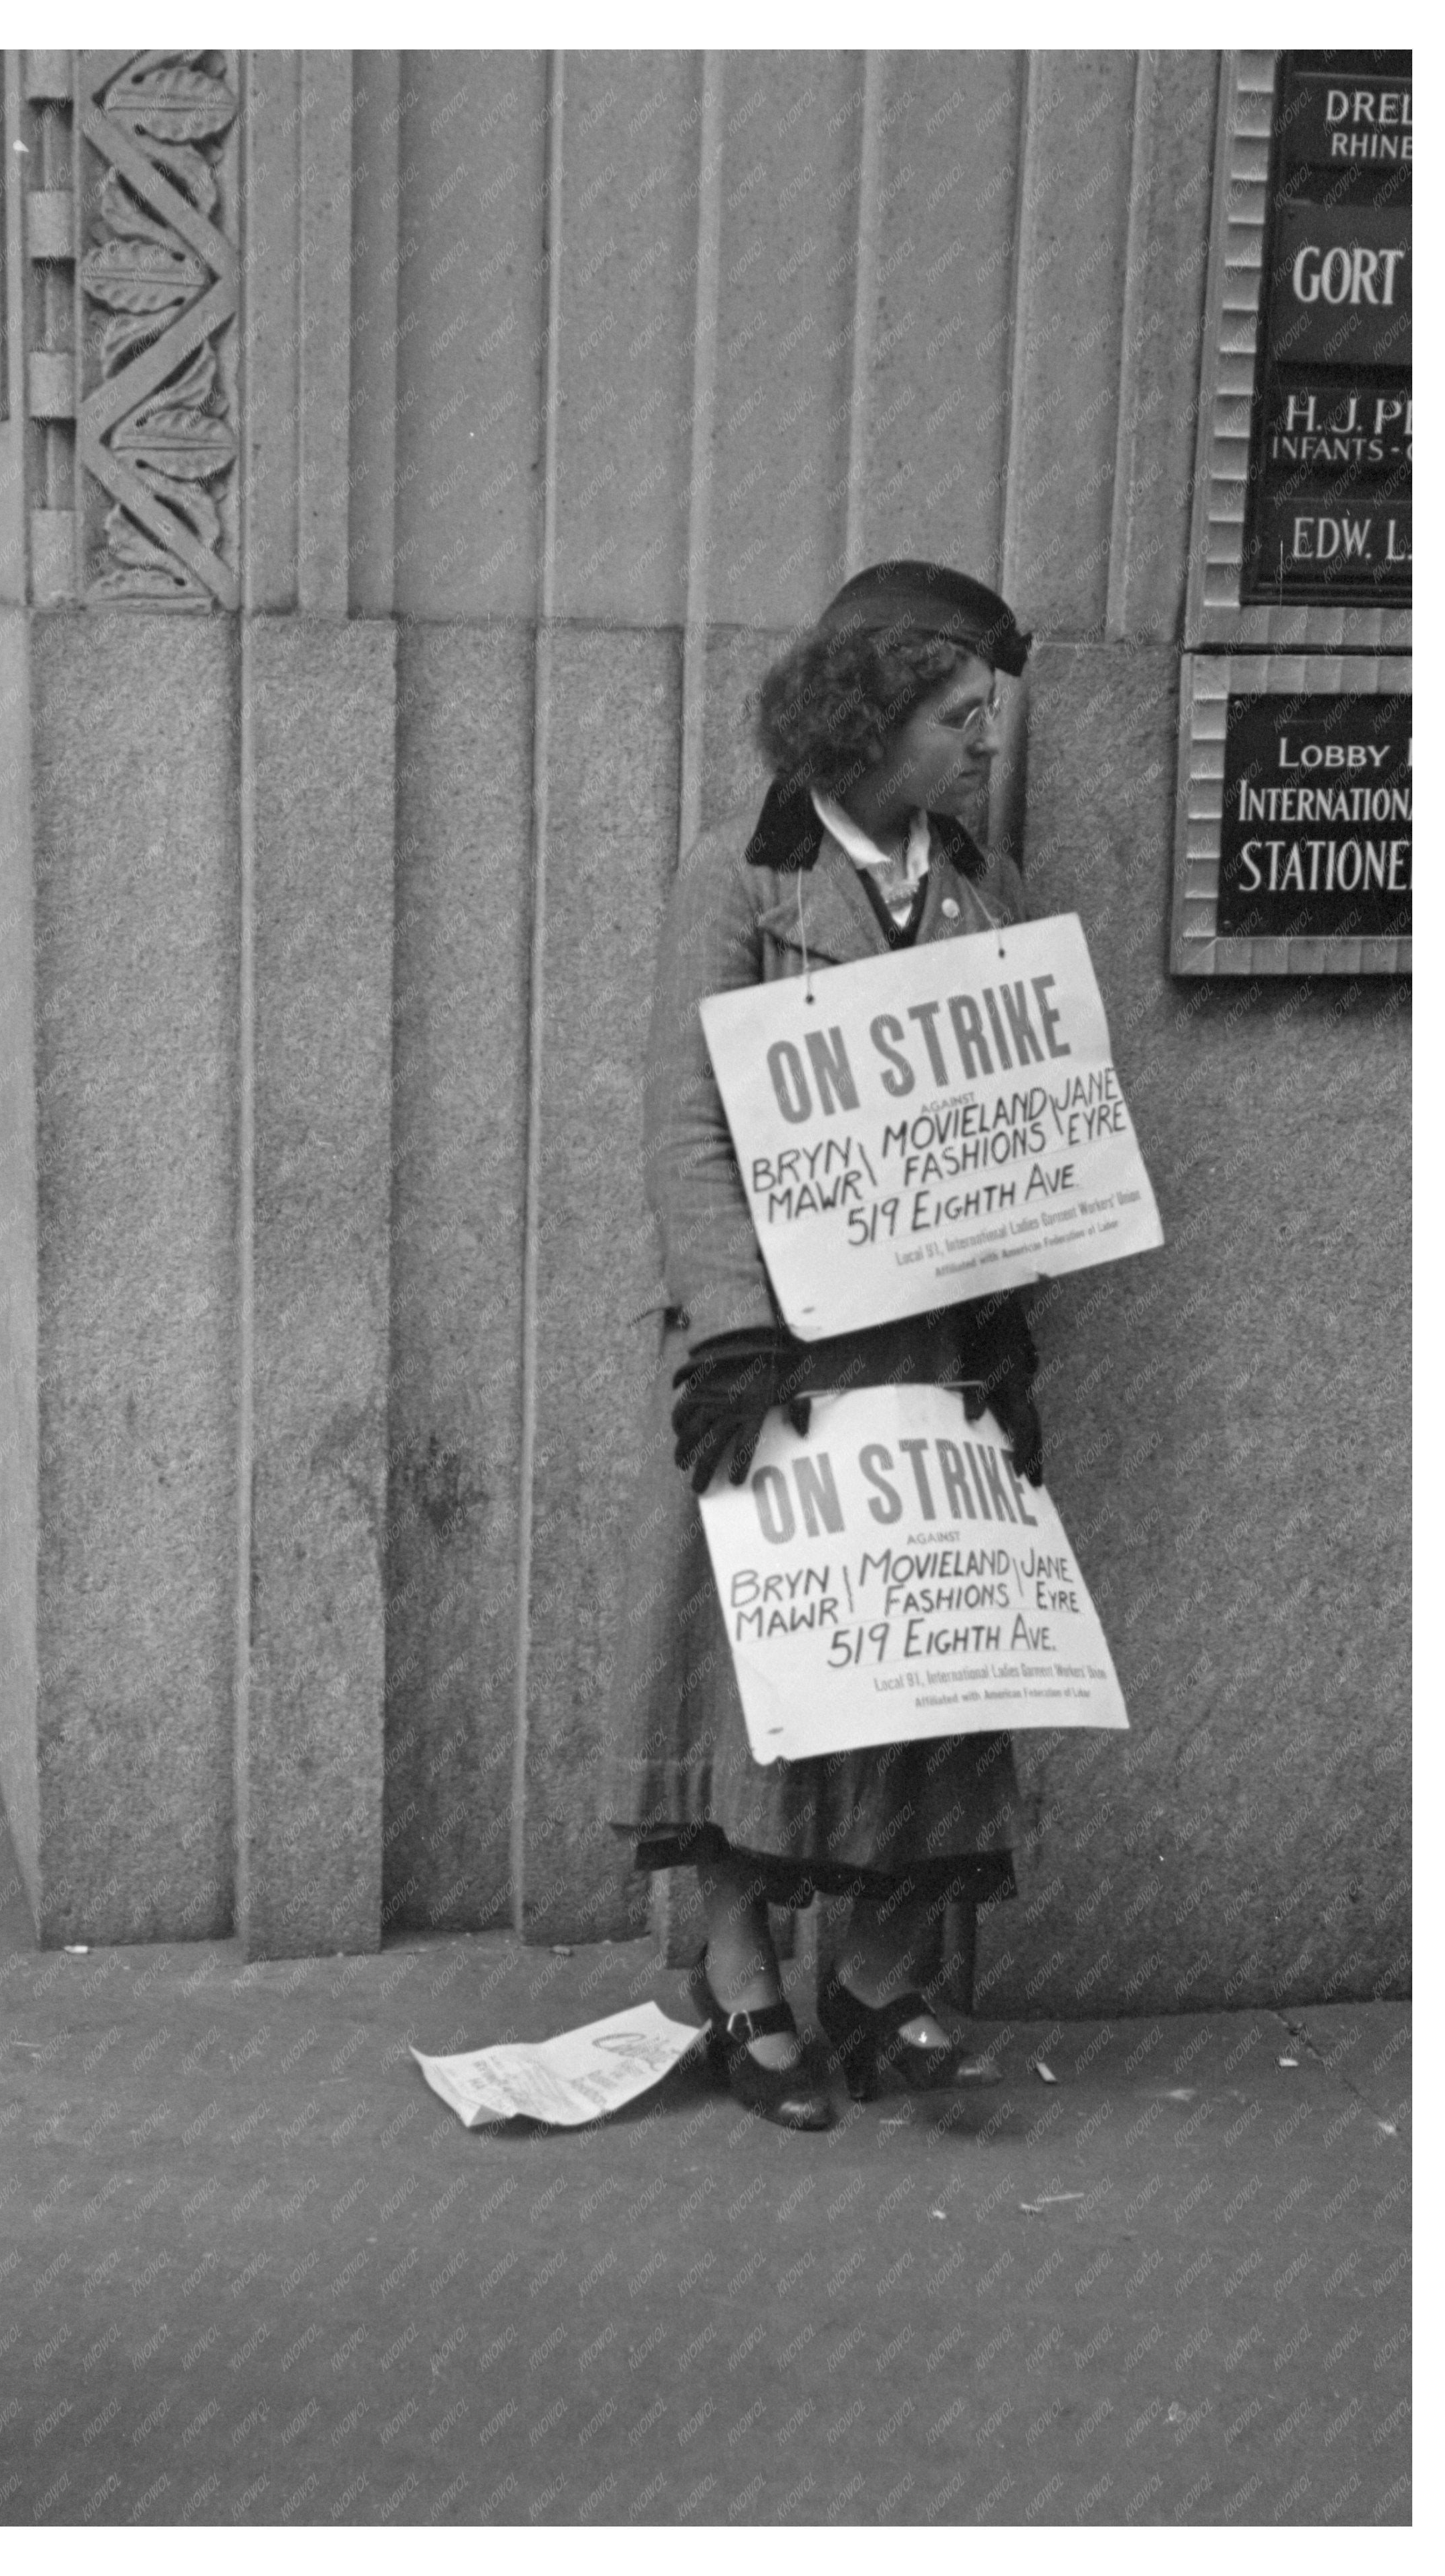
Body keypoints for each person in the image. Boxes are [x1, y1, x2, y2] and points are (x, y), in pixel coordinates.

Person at [604, 561, 1045, 2131]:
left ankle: (875, 1978)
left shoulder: (980, 885)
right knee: (761, 1678)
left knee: (920, 1673)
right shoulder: (740, 876)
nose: (984, 742)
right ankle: (738, 1979)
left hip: (928, 1351)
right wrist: (732, 1333)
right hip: (776, 1367)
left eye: (985, 716)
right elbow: (682, 1125)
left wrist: (1006, 1332)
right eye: (955, 716)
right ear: (871, 718)